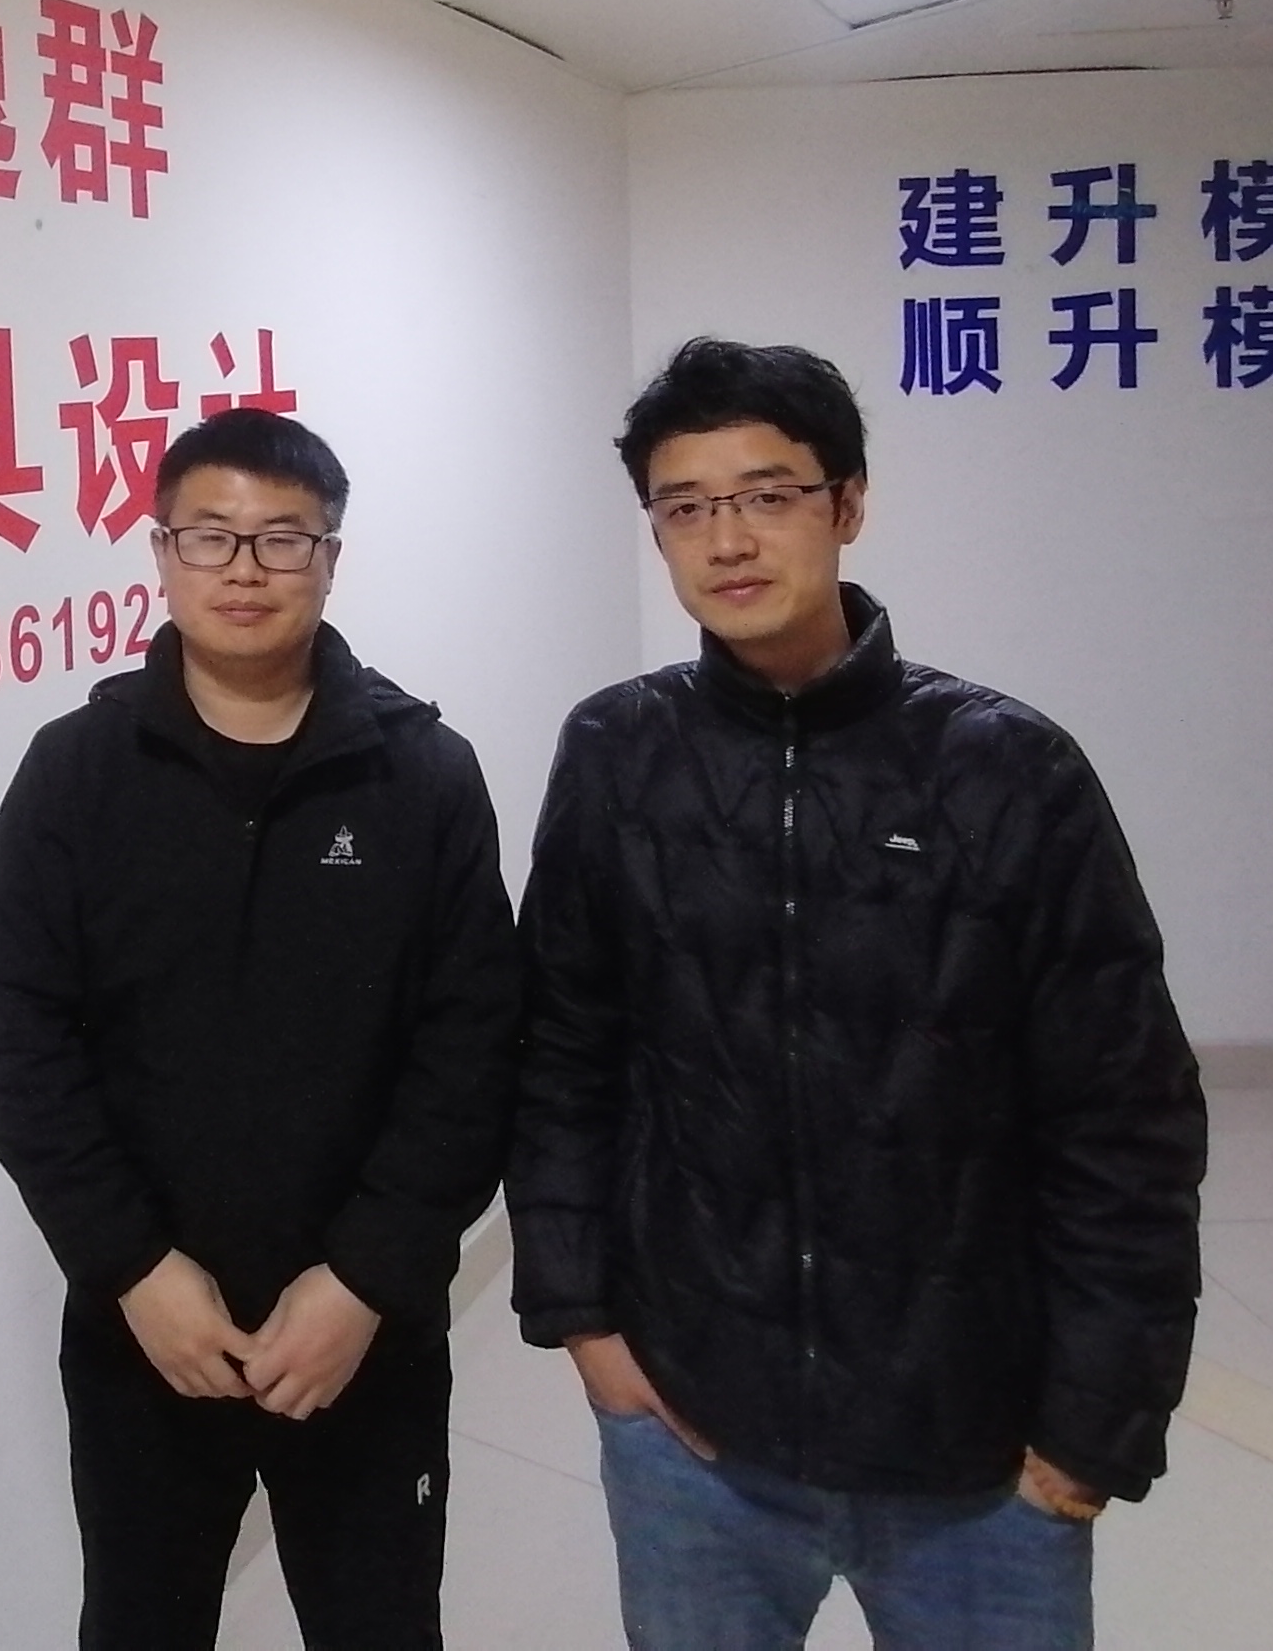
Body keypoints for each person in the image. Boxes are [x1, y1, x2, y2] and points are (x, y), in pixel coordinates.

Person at [512, 339, 1204, 1651]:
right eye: (685, 507)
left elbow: (1125, 1119)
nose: (728, 540)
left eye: (767, 495)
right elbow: (562, 1053)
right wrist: (584, 1322)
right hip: (692, 1432)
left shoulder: (1009, 769)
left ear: (847, 503)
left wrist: (1092, 1433)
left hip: (978, 1454)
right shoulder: (617, 752)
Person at [0, 406, 519, 1651]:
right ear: (161, 554)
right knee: (141, 1622)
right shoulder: (76, 774)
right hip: (148, 1329)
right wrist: (132, 1269)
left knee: (379, 1627)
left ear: (331, 559)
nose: (246, 570)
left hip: (365, 1328)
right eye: (210, 537)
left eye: (283, 539)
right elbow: (22, 1039)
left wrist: (367, 1277)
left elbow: (474, 1044)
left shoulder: (423, 776)